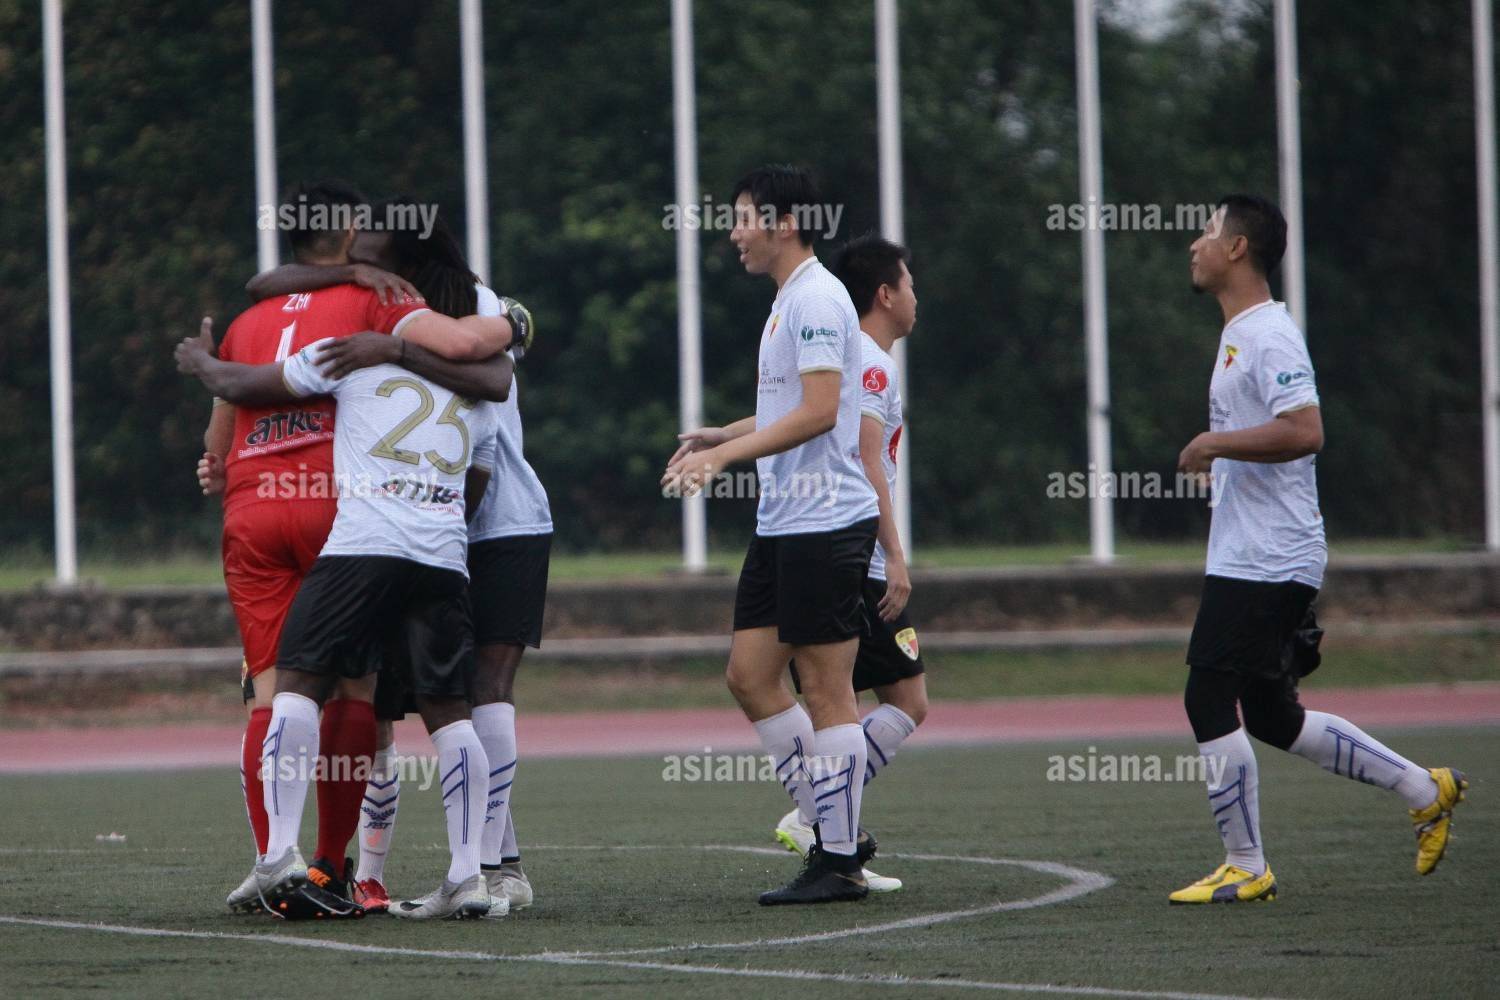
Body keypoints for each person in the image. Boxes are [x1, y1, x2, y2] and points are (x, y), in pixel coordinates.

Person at [201, 180, 515, 913]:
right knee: (442, 711)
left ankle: (277, 856)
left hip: (339, 530)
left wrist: (206, 365)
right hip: (439, 552)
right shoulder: (472, 366)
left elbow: (249, 387)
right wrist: (514, 325)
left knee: (288, 687)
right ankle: (455, 873)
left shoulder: (353, 339)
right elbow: (490, 385)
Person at [1170, 194, 1467, 904]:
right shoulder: (1241, 332)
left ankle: (1246, 865)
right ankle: (1424, 789)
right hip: (1257, 552)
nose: (1194, 245)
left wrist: (1213, 443)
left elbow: (1306, 431)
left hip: (1267, 558)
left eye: (1207, 232)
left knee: (1206, 694)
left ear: (1238, 248)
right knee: (1272, 716)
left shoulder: (1270, 334)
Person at [664, 165, 880, 905]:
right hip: (785, 522)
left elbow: (821, 412)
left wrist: (723, 460)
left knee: (826, 688)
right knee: (750, 676)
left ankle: (839, 860)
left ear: (785, 223)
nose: (734, 233)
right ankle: (835, 828)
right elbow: (798, 406)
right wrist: (723, 434)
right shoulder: (792, 298)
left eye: (743, 217)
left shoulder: (816, 297)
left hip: (826, 522)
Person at [773, 234, 924, 895]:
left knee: (864, 698)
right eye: (910, 284)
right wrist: (893, 553)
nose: (917, 297)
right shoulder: (871, 365)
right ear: (886, 294)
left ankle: (831, 832)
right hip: (856, 552)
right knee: (893, 700)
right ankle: (817, 815)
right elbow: (866, 458)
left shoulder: (859, 358)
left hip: (842, 542)